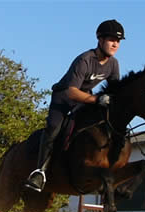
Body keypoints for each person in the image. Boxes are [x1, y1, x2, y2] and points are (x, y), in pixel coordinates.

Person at [24, 19, 125, 192]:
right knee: (54, 128)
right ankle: (39, 172)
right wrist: (97, 100)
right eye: (111, 39)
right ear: (100, 40)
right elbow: (72, 91)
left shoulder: (113, 64)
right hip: (64, 97)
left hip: (85, 98)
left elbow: (115, 90)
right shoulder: (85, 59)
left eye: (118, 41)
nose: (115, 44)